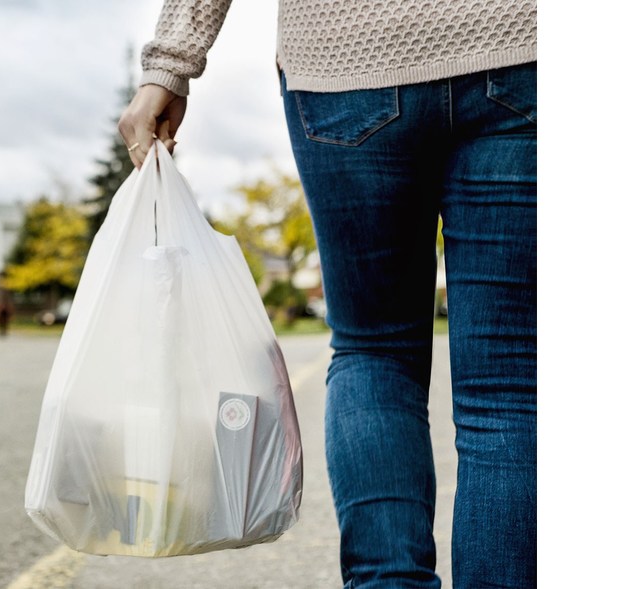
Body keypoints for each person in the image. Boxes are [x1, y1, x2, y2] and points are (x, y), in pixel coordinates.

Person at [119, 2, 536, 587]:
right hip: (516, 48)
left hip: (347, 59)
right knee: (508, 384)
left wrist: (169, 65)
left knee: (375, 351)